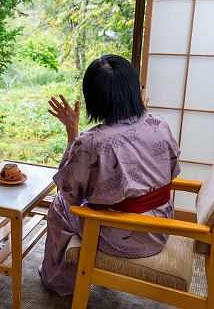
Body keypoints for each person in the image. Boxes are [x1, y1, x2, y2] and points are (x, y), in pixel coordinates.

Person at [41, 54, 180, 296]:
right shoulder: (159, 123)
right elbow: (172, 170)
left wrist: (72, 131)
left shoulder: (93, 141)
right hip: (161, 227)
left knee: (60, 207)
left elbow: (69, 190)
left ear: (93, 98)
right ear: (133, 90)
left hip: (122, 235)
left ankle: (60, 282)